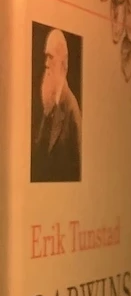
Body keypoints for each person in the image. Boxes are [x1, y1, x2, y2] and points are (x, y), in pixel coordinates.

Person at [31, 27, 82, 182]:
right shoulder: (49, 104)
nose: (46, 63)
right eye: (46, 57)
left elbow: (78, 170)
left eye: (51, 57)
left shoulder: (72, 109)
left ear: (63, 63)